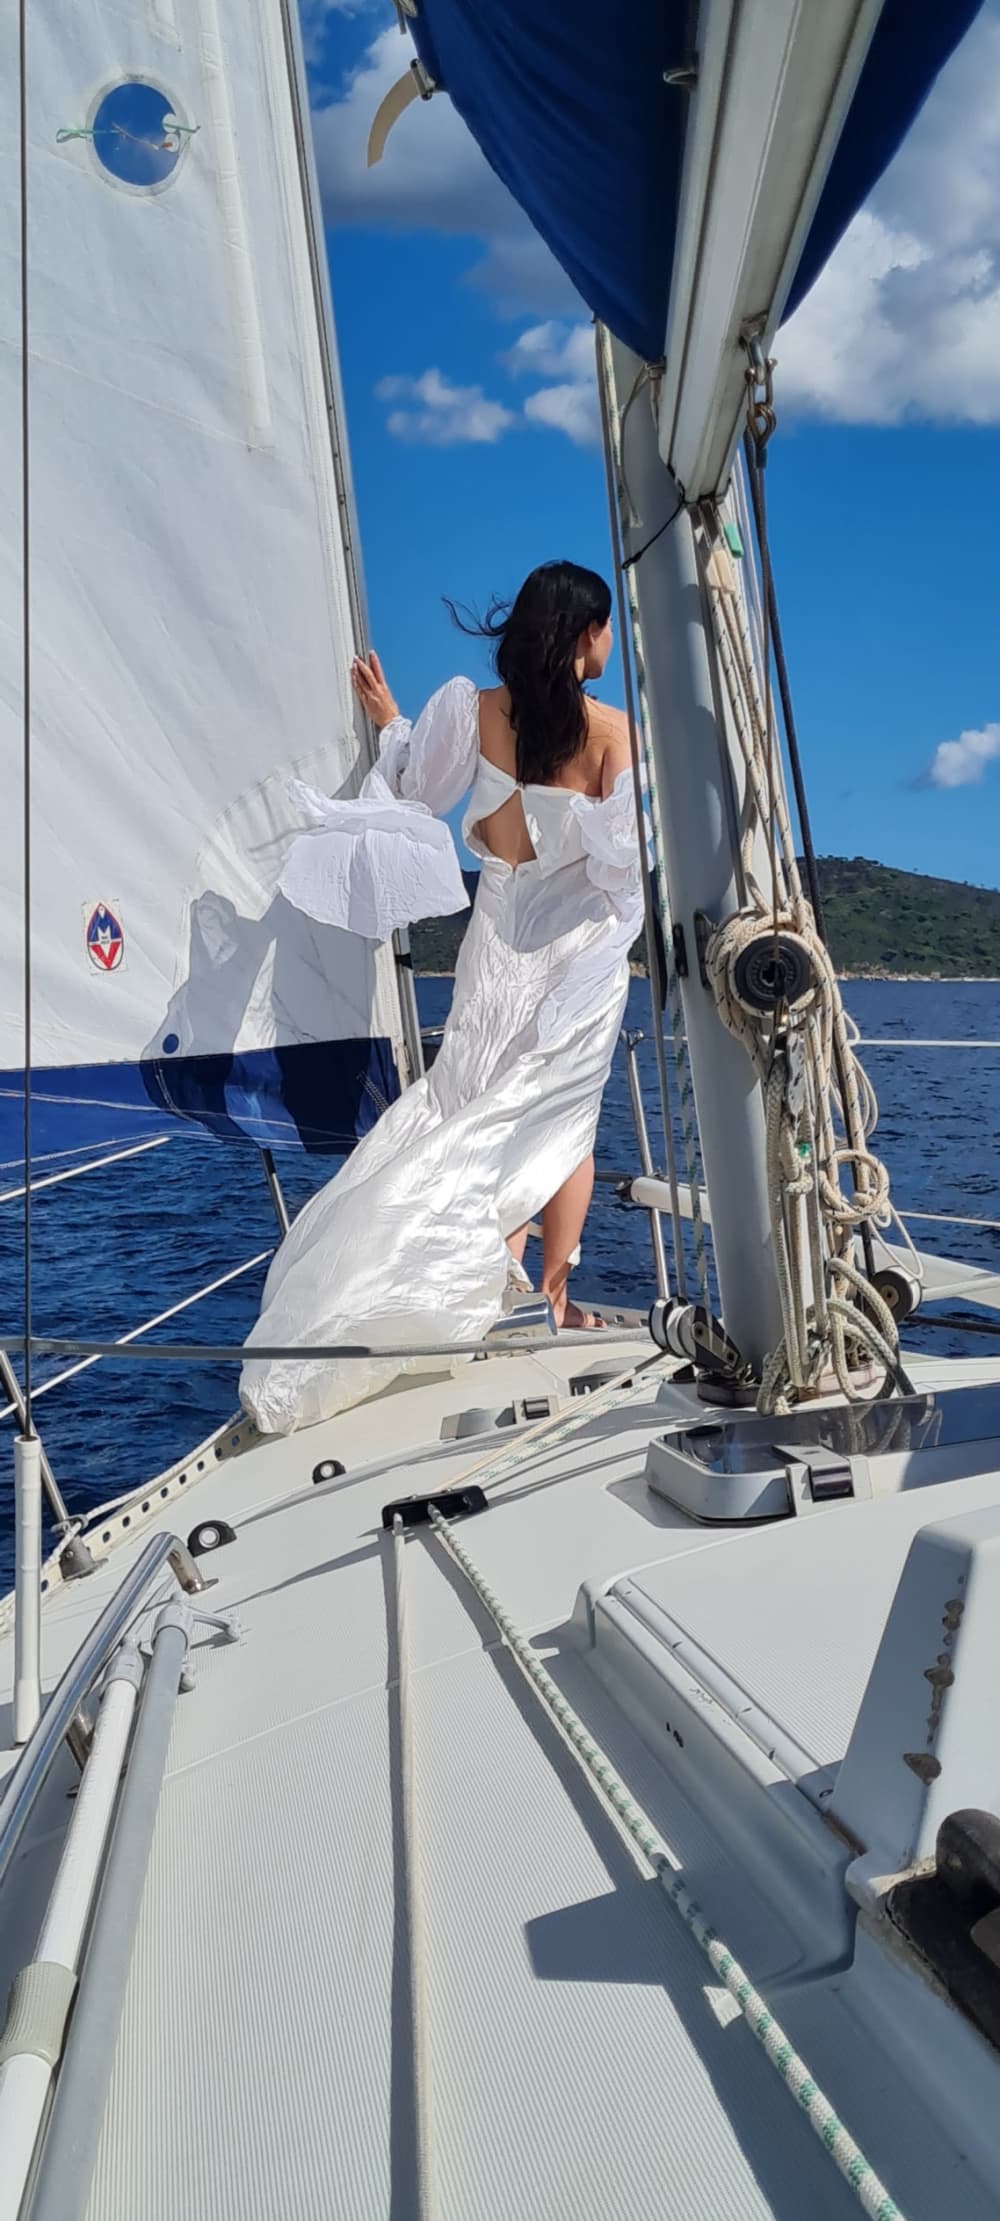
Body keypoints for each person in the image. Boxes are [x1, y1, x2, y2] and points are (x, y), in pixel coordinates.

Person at [239, 561, 644, 1435]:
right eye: (603, 628)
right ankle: (551, 1294)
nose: (610, 642)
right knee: (561, 1114)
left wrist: (390, 723)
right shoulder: (613, 735)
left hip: (494, 935)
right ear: (582, 635)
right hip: (572, 943)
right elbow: (622, 869)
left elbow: (417, 782)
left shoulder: (480, 709)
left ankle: (484, 1272)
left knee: (465, 1097)